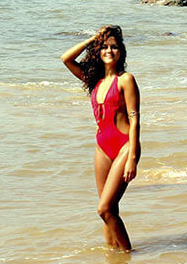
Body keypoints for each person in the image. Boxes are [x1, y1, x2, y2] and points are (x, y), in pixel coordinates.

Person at [60, 25, 141, 251]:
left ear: (121, 51)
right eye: (105, 47)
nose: (109, 51)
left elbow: (135, 120)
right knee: (107, 212)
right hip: (102, 148)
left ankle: (127, 254)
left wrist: (133, 158)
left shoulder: (126, 79)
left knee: (104, 208)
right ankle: (112, 255)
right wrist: (93, 39)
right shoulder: (94, 80)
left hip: (125, 146)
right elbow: (66, 58)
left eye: (114, 47)